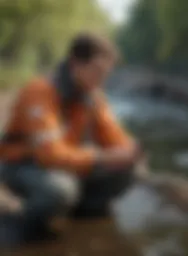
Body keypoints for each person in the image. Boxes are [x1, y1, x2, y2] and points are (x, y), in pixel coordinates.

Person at [0, 33, 142, 245]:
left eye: (106, 73)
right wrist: (101, 158)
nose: (102, 78)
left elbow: (114, 136)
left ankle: (82, 210)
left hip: (65, 162)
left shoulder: (93, 95)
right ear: (76, 64)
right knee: (60, 190)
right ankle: (20, 224)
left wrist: (131, 152)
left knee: (129, 168)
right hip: (22, 164)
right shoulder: (39, 92)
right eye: (97, 71)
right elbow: (50, 154)